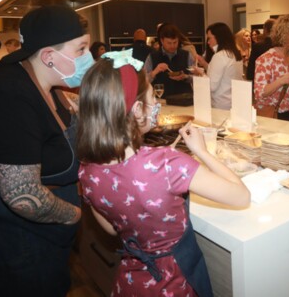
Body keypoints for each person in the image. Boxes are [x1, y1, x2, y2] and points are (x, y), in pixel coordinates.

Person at [76, 54, 249, 296]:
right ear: (137, 110)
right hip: (175, 283)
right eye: (152, 98)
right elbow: (241, 196)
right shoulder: (168, 164)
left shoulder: (87, 170)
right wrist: (202, 151)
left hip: (130, 282)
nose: (156, 103)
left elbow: (112, 229)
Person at [0, 5, 94, 296]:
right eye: (81, 50)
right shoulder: (8, 95)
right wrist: (76, 215)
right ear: (49, 56)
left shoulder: (50, 85)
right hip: (17, 235)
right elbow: (21, 196)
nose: (88, 58)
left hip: (46, 230)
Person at [254, 15, 289, 122]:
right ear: (287, 33)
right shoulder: (266, 59)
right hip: (273, 116)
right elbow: (259, 93)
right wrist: (282, 80)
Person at [145, 24, 194, 98]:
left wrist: (185, 77)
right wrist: (155, 71)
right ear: (162, 41)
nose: (172, 46)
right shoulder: (152, 57)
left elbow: (196, 79)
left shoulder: (187, 55)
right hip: (161, 101)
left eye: (175, 42)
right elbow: (143, 81)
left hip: (184, 101)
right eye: (169, 43)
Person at [206, 23, 243, 109]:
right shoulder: (235, 53)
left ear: (218, 37)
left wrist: (200, 76)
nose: (208, 42)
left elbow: (211, 86)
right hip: (234, 102)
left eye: (209, 38)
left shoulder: (219, 56)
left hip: (221, 104)